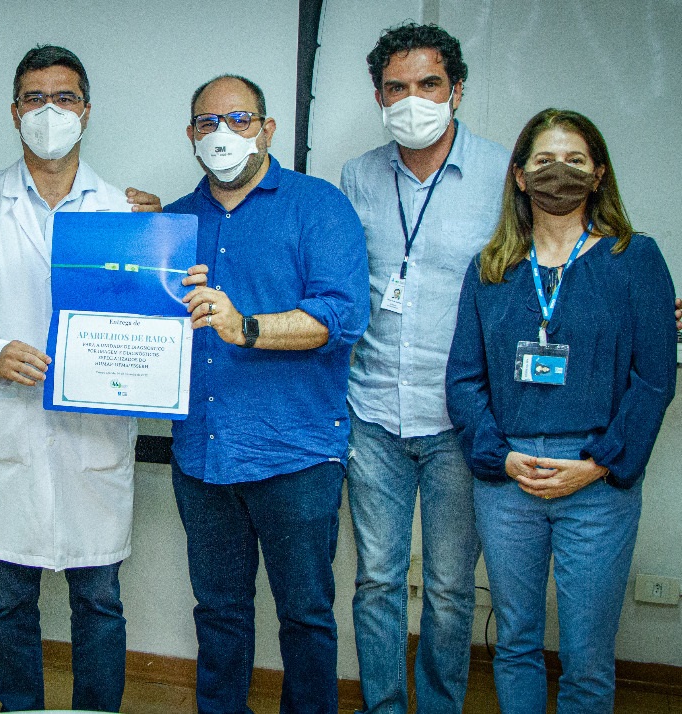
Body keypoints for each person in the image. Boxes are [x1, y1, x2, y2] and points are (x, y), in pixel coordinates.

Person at [0, 45, 175, 712]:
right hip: (7, 431)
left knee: (100, 601)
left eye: (64, 98)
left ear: (86, 111)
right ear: (14, 112)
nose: (49, 111)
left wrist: (168, 267)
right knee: (9, 603)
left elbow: (153, 327)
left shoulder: (126, 213)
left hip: (94, 439)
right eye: (34, 98)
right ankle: (21, 710)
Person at [446, 108, 676, 713]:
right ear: (520, 176)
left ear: (598, 174)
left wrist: (599, 463)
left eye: (575, 160)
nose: (560, 172)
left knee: (586, 656)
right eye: (544, 160)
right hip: (509, 479)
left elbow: (654, 380)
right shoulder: (491, 268)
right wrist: (500, 457)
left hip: (597, 480)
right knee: (515, 643)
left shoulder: (635, 259)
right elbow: (464, 379)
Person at [165, 74, 369, 714]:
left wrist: (245, 327)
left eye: (239, 119)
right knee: (218, 612)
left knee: (305, 616)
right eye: (207, 122)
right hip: (202, 455)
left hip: (295, 455)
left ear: (268, 129)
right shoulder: (174, 222)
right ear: (191, 134)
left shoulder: (319, 206)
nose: (222, 133)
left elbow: (342, 317)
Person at [338, 23, 510, 714]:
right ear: (379, 95)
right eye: (397, 87)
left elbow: (556, 260)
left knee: (449, 587)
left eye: (429, 84)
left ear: (457, 90)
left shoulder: (503, 174)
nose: (413, 100)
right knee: (377, 580)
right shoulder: (357, 176)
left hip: (460, 418)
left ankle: (440, 706)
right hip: (373, 410)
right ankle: (383, 706)